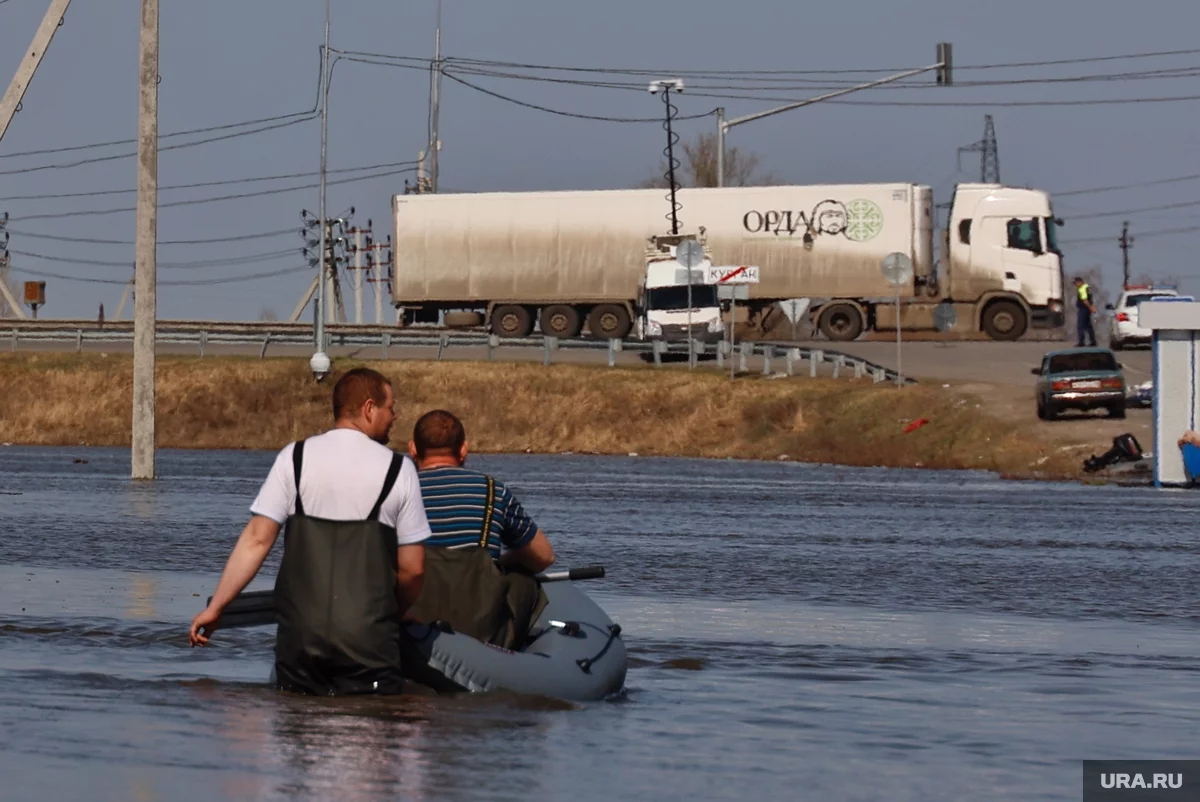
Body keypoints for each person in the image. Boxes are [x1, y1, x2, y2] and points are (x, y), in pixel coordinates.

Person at [189, 367, 432, 696]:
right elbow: (413, 569)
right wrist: (393, 614)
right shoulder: (400, 469)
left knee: (298, 730)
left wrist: (217, 606)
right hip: (368, 642)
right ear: (369, 408)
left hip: (301, 638)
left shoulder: (294, 457)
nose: (395, 416)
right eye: (391, 408)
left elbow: (257, 540)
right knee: (375, 729)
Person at [402, 409, 554, 649]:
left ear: (412, 449)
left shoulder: (396, 493)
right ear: (463, 449)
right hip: (478, 627)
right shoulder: (494, 491)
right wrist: (503, 563)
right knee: (525, 581)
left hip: (411, 622)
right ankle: (510, 653)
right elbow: (544, 556)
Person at [1074, 276, 1097, 347]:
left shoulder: (1082, 289)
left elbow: (1085, 300)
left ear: (1080, 282)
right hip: (1086, 309)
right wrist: (1091, 307)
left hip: (1084, 309)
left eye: (1076, 283)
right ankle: (1093, 341)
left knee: (1081, 325)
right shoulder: (1087, 288)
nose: (1075, 285)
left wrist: (1090, 308)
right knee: (1088, 326)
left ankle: (1081, 342)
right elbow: (1090, 299)